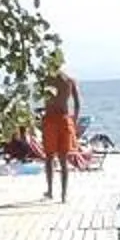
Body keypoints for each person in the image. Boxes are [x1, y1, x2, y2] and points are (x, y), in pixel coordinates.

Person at [40, 64, 81, 200]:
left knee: (49, 157)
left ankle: (50, 191)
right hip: (64, 120)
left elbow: (46, 100)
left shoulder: (46, 81)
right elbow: (77, 104)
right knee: (63, 159)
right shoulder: (69, 80)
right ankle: (63, 195)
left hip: (50, 120)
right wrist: (74, 121)